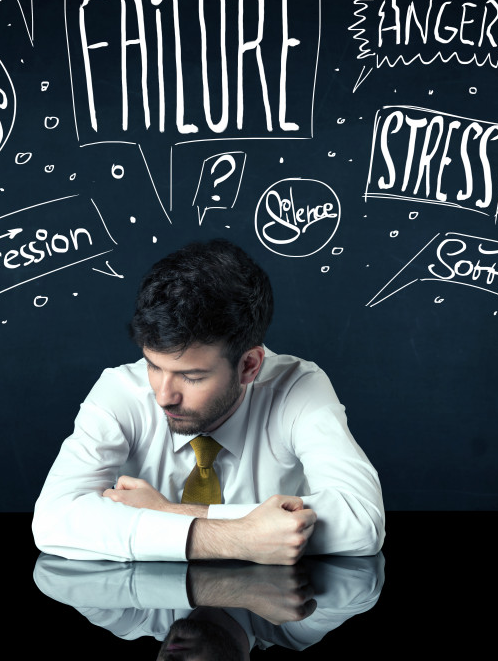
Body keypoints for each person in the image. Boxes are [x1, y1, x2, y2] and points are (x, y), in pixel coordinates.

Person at [32, 239, 384, 563]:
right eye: (153, 366)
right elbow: (53, 519)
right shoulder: (120, 391)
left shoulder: (298, 387)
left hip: (275, 618)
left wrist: (169, 513)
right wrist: (237, 538)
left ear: (248, 365)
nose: (163, 395)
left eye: (192, 376)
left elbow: (362, 520)